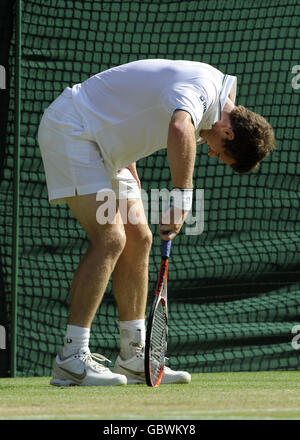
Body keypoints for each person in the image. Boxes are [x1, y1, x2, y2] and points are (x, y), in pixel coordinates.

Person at [38, 59, 275, 386]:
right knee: (111, 240)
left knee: (140, 239)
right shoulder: (202, 92)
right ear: (229, 131)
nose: (212, 153)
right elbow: (179, 128)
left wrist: (127, 152)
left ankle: (134, 357)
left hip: (109, 150)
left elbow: (136, 104)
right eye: (221, 152)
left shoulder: (220, 94)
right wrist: (182, 202)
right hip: (74, 130)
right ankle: (71, 357)